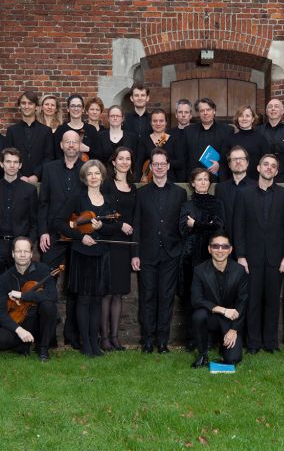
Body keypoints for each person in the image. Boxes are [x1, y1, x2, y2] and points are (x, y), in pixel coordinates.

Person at [55, 160, 119, 357]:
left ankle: (94, 342)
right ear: (84, 177)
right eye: (89, 174)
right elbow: (60, 222)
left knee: (97, 301)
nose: (93, 177)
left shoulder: (108, 201)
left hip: (101, 255)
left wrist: (102, 228)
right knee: (83, 300)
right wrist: (81, 236)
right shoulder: (78, 198)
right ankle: (85, 344)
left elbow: (114, 228)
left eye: (97, 173)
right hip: (82, 254)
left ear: (102, 176)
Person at [234, 154, 284, 353]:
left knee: (272, 302)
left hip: (276, 259)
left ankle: (270, 343)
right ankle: (253, 343)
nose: (269, 168)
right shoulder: (244, 194)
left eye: (273, 166)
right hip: (250, 259)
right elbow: (239, 228)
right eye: (266, 165)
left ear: (276, 172)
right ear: (258, 168)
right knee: (252, 302)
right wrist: (241, 256)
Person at [132, 148, 186, 354]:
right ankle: (147, 340)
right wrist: (135, 254)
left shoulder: (180, 193)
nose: (160, 167)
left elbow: (182, 225)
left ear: (168, 166)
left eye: (163, 163)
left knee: (166, 298)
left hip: (171, 255)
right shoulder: (142, 192)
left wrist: (180, 249)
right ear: (151, 168)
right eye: (156, 164)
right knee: (147, 297)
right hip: (147, 254)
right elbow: (137, 224)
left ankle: (162, 342)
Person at [38, 130, 84, 348]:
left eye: (75, 142)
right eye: (68, 142)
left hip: (77, 236)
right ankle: (49, 336)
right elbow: (44, 203)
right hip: (54, 236)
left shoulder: (86, 170)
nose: (72, 145)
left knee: (76, 286)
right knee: (48, 284)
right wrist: (43, 231)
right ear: (62, 145)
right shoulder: (49, 169)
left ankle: (72, 335)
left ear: (79, 145)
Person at [179, 168, 225, 350]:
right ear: (193, 183)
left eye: (206, 179)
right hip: (191, 259)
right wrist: (207, 226)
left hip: (212, 257)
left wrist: (196, 224)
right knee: (193, 299)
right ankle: (193, 339)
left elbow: (219, 227)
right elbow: (183, 230)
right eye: (199, 179)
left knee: (212, 297)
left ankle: (210, 339)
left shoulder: (217, 203)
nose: (203, 182)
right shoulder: (187, 206)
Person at [191, 232, 248, 368]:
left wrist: (234, 330)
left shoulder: (239, 271)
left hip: (230, 321)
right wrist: (222, 310)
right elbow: (196, 300)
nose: (220, 250)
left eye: (224, 246)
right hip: (210, 316)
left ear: (230, 250)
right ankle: (203, 354)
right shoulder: (200, 270)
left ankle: (225, 348)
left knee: (232, 360)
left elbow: (243, 301)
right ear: (209, 249)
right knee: (198, 315)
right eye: (216, 246)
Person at [101, 147, 137, 351]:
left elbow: (134, 217)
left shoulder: (133, 188)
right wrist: (119, 225)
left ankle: (115, 337)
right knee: (106, 292)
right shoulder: (106, 185)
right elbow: (102, 216)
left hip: (125, 246)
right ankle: (104, 338)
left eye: (128, 159)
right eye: (120, 158)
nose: (124, 162)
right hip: (109, 243)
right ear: (113, 162)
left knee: (119, 293)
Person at [0, 237, 58, 361]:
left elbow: (52, 295)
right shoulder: (4, 278)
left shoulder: (42, 269)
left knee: (49, 306)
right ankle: (22, 344)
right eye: (18, 251)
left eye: (26, 251)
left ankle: (43, 348)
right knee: (2, 339)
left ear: (31, 253)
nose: (22, 255)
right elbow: (1, 313)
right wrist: (19, 330)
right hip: (18, 321)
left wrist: (23, 296)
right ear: (13, 254)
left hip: (38, 322)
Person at [0, 148, 38, 274]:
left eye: (15, 162)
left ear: (20, 165)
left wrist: (28, 245)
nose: (12, 165)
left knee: (17, 287)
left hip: (19, 246)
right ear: (1, 163)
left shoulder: (29, 190)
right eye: (8, 161)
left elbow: (34, 222)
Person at [5, 91, 54, 183]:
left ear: (36, 107)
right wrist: (20, 176)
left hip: (40, 181)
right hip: (17, 180)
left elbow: (49, 157)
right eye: (23, 103)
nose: (26, 106)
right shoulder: (12, 131)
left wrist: (36, 175)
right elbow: (7, 157)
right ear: (19, 106)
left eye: (30, 103)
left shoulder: (46, 131)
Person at [183, 97, 232, 181]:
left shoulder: (227, 130)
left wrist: (219, 164)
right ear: (198, 113)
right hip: (195, 179)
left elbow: (230, 154)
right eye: (202, 111)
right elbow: (184, 157)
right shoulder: (188, 131)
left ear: (214, 111)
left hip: (218, 178)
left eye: (208, 109)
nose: (205, 113)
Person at [215, 146, 255, 239]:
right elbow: (219, 216)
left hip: (250, 240)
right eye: (234, 159)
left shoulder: (256, 187)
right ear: (229, 164)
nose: (238, 162)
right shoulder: (220, 188)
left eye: (241, 159)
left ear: (247, 162)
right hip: (226, 242)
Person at [220, 105, 268, 181]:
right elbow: (223, 165)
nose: (244, 118)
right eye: (241, 116)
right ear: (237, 119)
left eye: (247, 116)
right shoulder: (229, 139)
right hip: (233, 184)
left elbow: (266, 163)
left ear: (252, 119)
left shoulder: (261, 139)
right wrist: (223, 183)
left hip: (255, 184)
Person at [136, 108, 181, 182]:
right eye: (155, 121)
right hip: (149, 181)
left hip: (169, 180)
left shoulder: (174, 139)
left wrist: (162, 163)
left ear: (166, 122)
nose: (158, 123)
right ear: (151, 122)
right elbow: (139, 163)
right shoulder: (144, 139)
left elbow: (179, 162)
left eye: (161, 121)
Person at [257, 98, 284, 182]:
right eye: (270, 107)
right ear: (267, 112)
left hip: (283, 173)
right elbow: (258, 149)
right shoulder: (258, 130)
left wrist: (266, 146)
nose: (273, 109)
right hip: (262, 173)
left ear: (282, 111)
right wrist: (280, 144)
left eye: (276, 106)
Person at [54, 94, 98, 161]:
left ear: (83, 109)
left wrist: (87, 149)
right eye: (73, 106)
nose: (76, 109)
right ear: (68, 109)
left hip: (87, 169)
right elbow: (56, 154)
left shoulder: (91, 129)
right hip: (66, 169)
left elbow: (98, 154)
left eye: (79, 106)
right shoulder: (61, 130)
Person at [169, 98, 193, 181]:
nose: (183, 115)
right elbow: (159, 150)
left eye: (186, 112)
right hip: (173, 178)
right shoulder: (166, 134)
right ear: (176, 114)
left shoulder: (198, 132)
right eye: (180, 112)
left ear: (191, 115)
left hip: (194, 177)